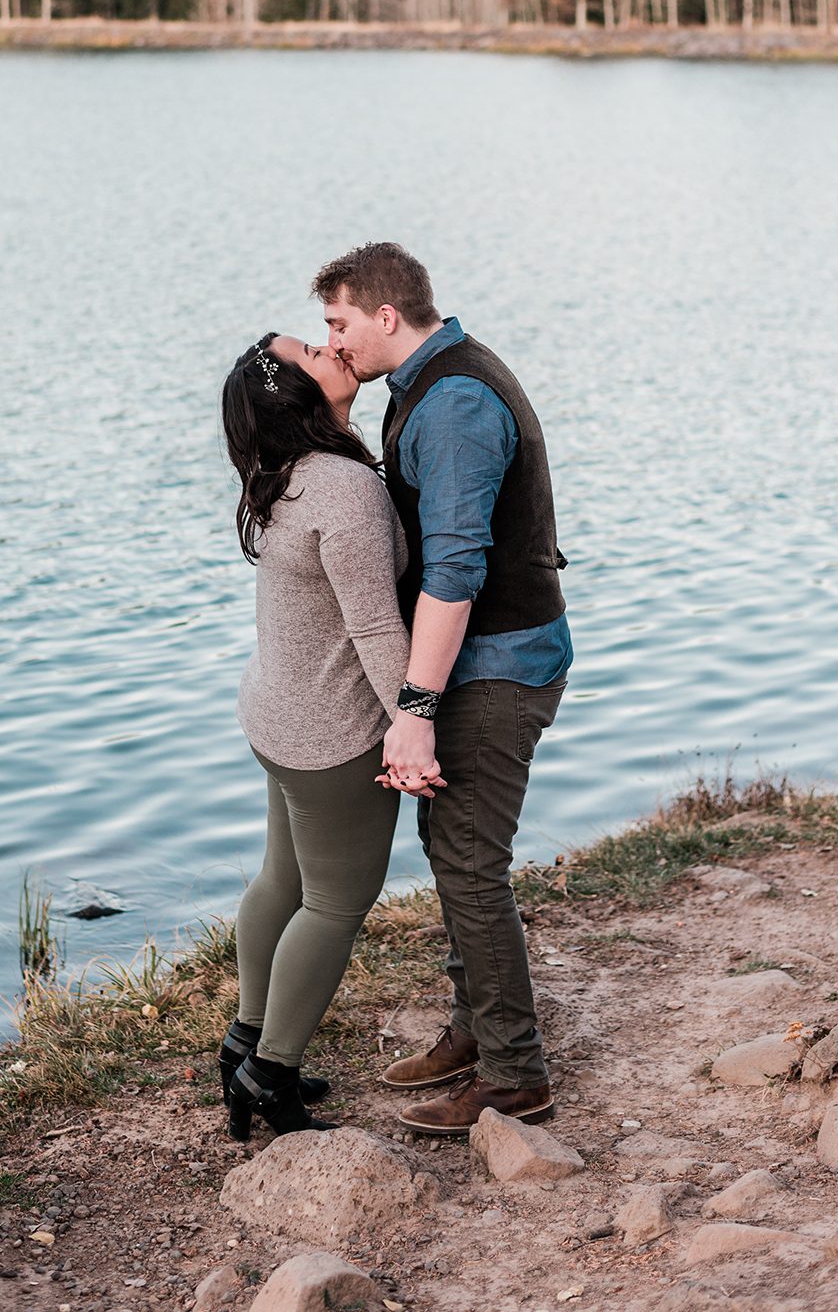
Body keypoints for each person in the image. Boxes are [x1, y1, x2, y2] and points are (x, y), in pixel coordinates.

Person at [313, 242, 572, 1134]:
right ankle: (474, 1028)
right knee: (451, 848)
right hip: (483, 659)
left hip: (497, 666)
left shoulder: (455, 404)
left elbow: (456, 571)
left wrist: (414, 712)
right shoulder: (428, 383)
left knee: (469, 863)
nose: (334, 342)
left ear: (387, 317)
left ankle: (514, 1075)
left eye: (339, 323)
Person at [219, 331, 413, 1141]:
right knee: (335, 903)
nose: (333, 347)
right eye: (312, 350)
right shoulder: (340, 487)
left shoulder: (286, 477)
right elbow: (373, 627)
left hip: (277, 713)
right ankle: (271, 1075)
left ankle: (242, 1043)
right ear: (298, 393)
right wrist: (416, 721)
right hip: (332, 732)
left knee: (283, 881)